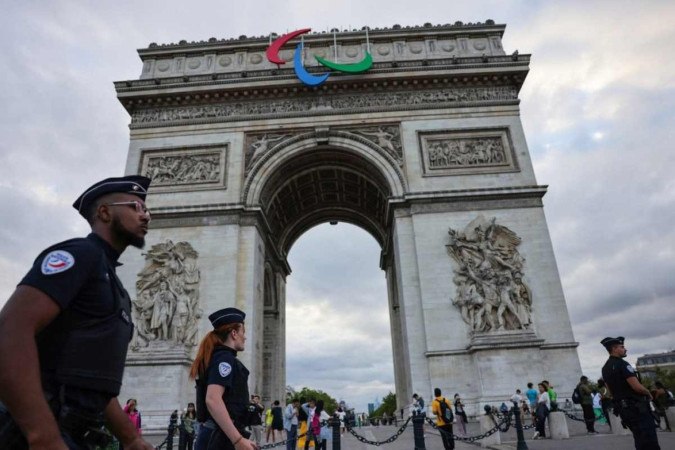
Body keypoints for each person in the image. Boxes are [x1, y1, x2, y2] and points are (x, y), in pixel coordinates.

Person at [0, 175, 154, 450]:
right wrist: (43, 436)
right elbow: (10, 330)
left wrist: (131, 438)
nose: (146, 215)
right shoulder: (79, 255)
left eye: (146, 208)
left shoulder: (115, 286)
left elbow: (94, 382)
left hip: (79, 434)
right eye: (134, 206)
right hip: (39, 432)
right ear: (104, 213)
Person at [190, 308, 256, 450]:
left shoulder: (219, 357)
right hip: (219, 436)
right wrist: (238, 440)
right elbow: (213, 399)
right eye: (243, 332)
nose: (244, 337)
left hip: (220, 433)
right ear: (234, 333)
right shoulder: (224, 359)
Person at [601, 336, 660, 450]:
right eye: (622, 347)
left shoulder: (605, 368)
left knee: (639, 439)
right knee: (649, 441)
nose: (625, 349)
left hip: (625, 410)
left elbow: (610, 390)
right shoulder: (623, 364)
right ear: (614, 348)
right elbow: (636, 386)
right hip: (637, 408)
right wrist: (648, 393)